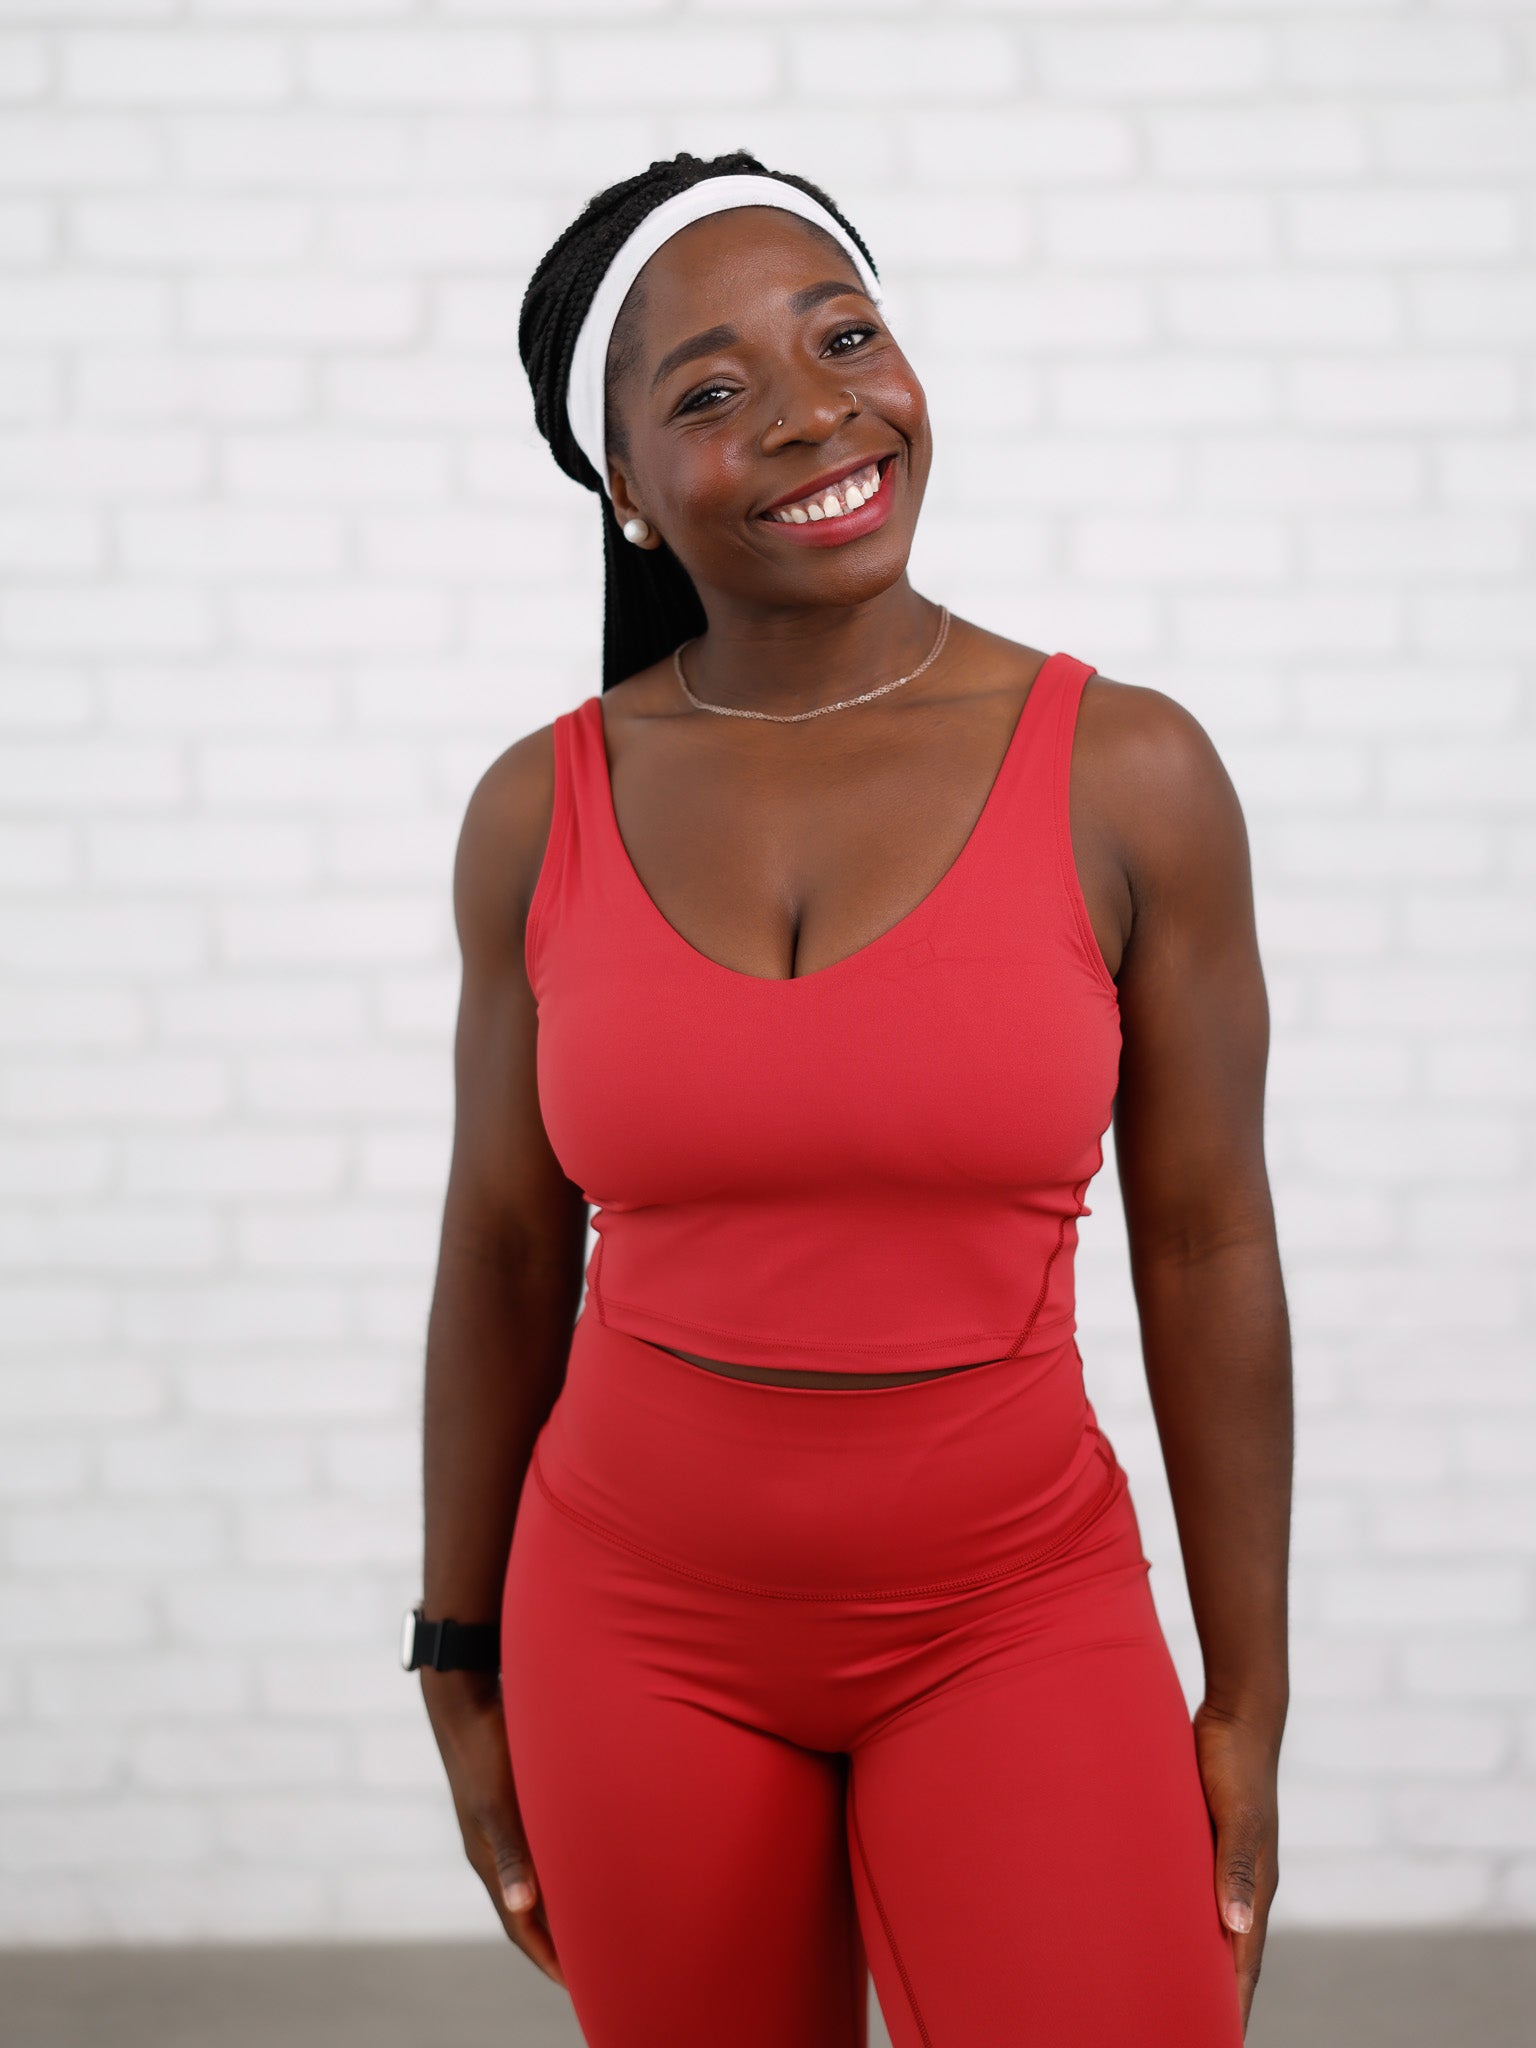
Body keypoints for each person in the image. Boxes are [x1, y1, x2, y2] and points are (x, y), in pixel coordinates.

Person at [414, 148, 1290, 2046]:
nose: (816, 412)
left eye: (844, 337)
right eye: (711, 390)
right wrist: (454, 1650)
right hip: (629, 1625)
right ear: (623, 487)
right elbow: (502, 1249)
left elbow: (1208, 1242)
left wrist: (1248, 1692)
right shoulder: (538, 808)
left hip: (1013, 1607)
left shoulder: (1128, 773)